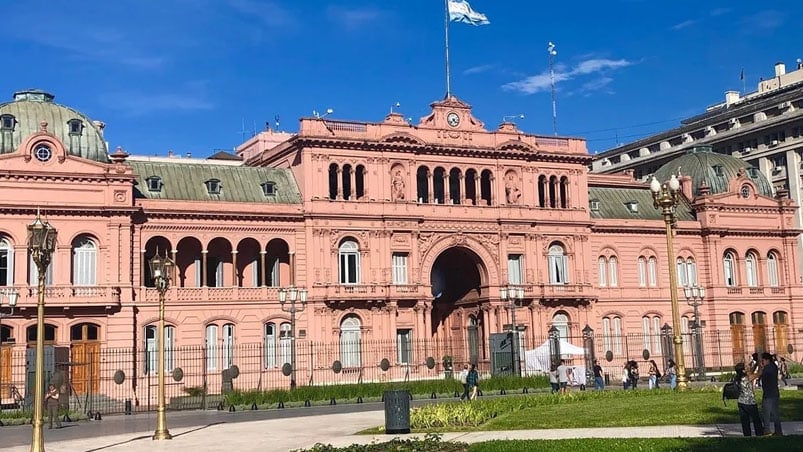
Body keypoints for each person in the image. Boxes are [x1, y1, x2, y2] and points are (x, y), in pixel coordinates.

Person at [734, 362, 764, 436]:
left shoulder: (737, 378)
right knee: (756, 419)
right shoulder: (747, 378)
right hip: (750, 402)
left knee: (745, 421)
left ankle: (747, 435)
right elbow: (759, 373)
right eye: (745, 367)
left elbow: (751, 371)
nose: (747, 368)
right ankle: (759, 433)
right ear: (743, 370)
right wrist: (760, 365)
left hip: (741, 402)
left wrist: (756, 363)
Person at [759, 352, 782, 436]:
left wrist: (760, 368)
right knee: (775, 413)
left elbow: (760, 374)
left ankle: (767, 430)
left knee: (766, 413)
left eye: (763, 361)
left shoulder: (767, 368)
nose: (762, 362)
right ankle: (778, 430)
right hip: (774, 392)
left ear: (767, 360)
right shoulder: (774, 367)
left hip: (768, 394)